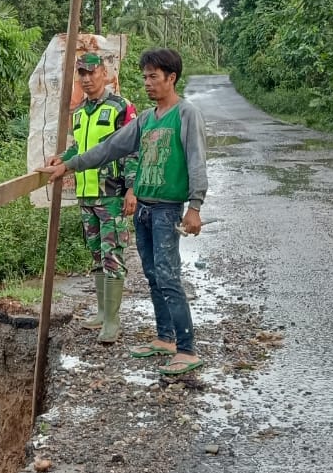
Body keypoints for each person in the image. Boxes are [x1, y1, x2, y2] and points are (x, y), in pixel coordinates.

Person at [42, 48, 208, 375]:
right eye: (145, 77)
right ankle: (165, 338)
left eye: (153, 77)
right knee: (151, 274)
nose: (147, 83)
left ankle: (187, 349)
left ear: (171, 78)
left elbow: (196, 161)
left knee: (168, 275)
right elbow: (109, 148)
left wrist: (195, 207)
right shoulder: (146, 119)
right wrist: (70, 164)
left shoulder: (186, 114)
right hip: (145, 209)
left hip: (166, 209)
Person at [58, 51, 136, 344]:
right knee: (96, 256)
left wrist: (132, 189)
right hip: (86, 194)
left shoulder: (121, 107)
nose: (87, 79)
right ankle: (102, 313)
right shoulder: (79, 112)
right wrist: (61, 159)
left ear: (105, 74)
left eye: (93, 73)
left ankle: (113, 322)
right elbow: (79, 147)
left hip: (112, 194)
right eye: (82, 74)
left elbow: (133, 150)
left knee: (113, 256)